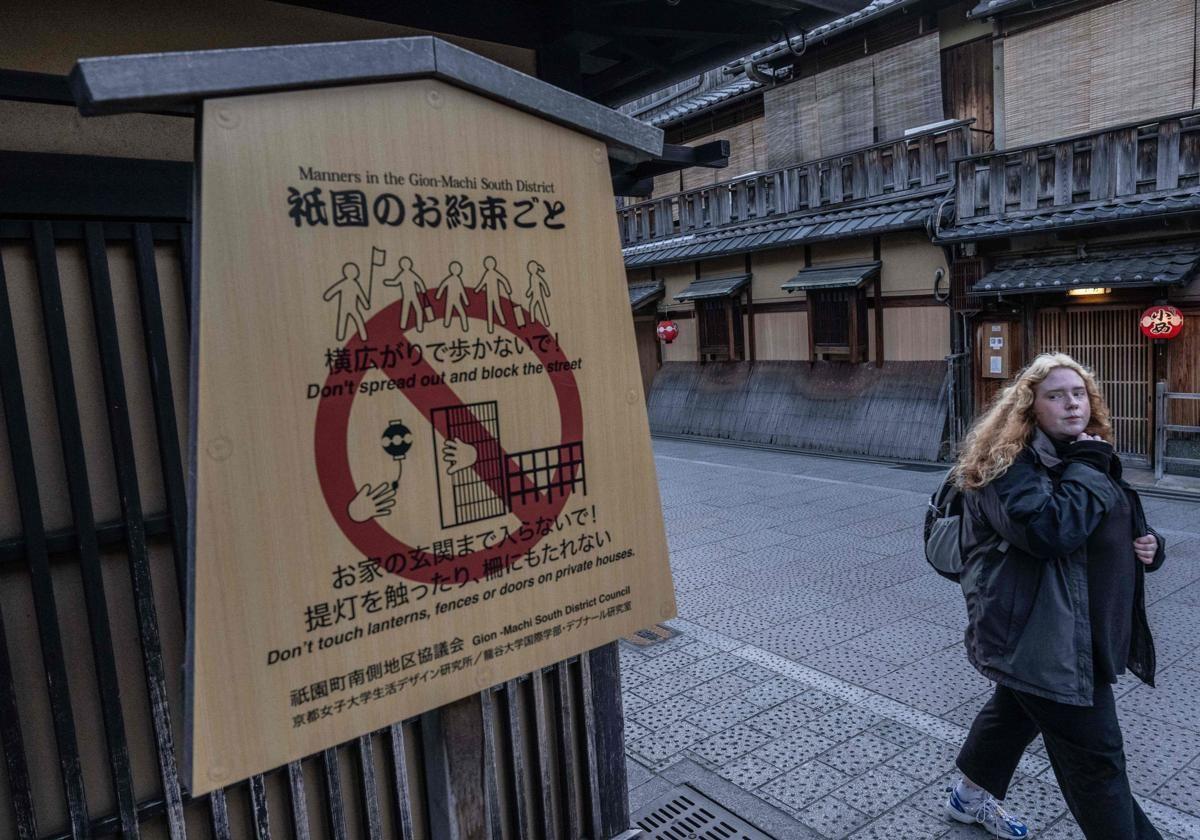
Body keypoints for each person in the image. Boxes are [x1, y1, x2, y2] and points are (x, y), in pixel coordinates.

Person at [945, 352, 1165, 839]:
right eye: (1056, 395)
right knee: (1098, 765)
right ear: (1028, 408)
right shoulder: (1006, 467)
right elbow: (1050, 531)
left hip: (1073, 629)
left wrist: (1148, 546)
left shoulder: (1082, 451)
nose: (1072, 404)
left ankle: (967, 799)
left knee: (1014, 712)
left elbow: (1109, 523)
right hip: (1045, 640)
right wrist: (1089, 464)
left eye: (1079, 393)